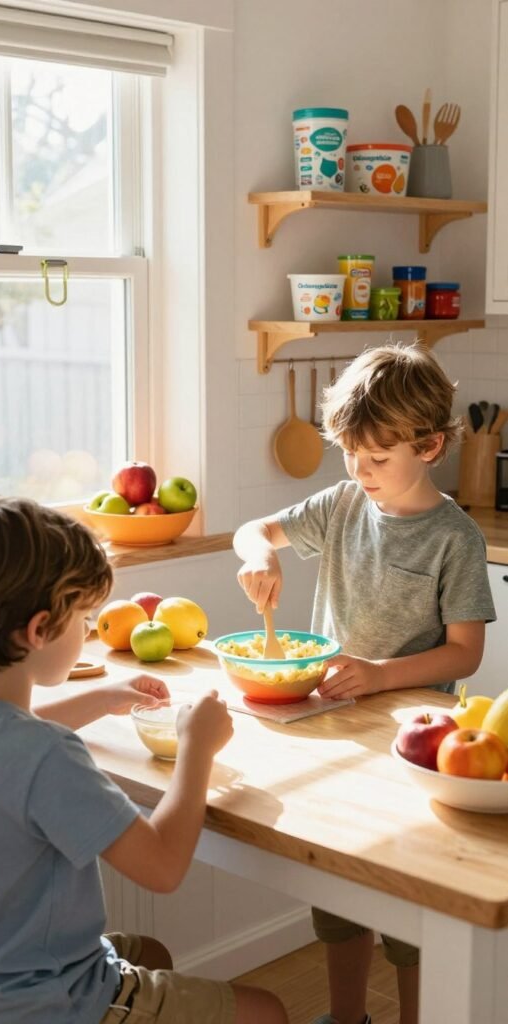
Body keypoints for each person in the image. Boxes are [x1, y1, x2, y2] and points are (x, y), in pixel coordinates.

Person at [0, 496, 288, 1024]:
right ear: (40, 629)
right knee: (267, 1012)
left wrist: (105, 696)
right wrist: (196, 749)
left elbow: (7, 735)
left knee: (151, 954)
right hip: (48, 1004)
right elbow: (162, 866)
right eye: (85, 619)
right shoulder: (47, 756)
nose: (90, 631)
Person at [233, 343, 496, 1024]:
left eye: (378, 458)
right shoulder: (342, 505)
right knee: (338, 893)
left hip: (411, 746)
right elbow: (252, 530)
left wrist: (380, 674)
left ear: (431, 446)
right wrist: (260, 552)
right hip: (335, 729)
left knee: (409, 904)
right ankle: (346, 1018)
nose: (361, 469)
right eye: (350, 453)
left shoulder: (454, 537)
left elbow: (464, 654)